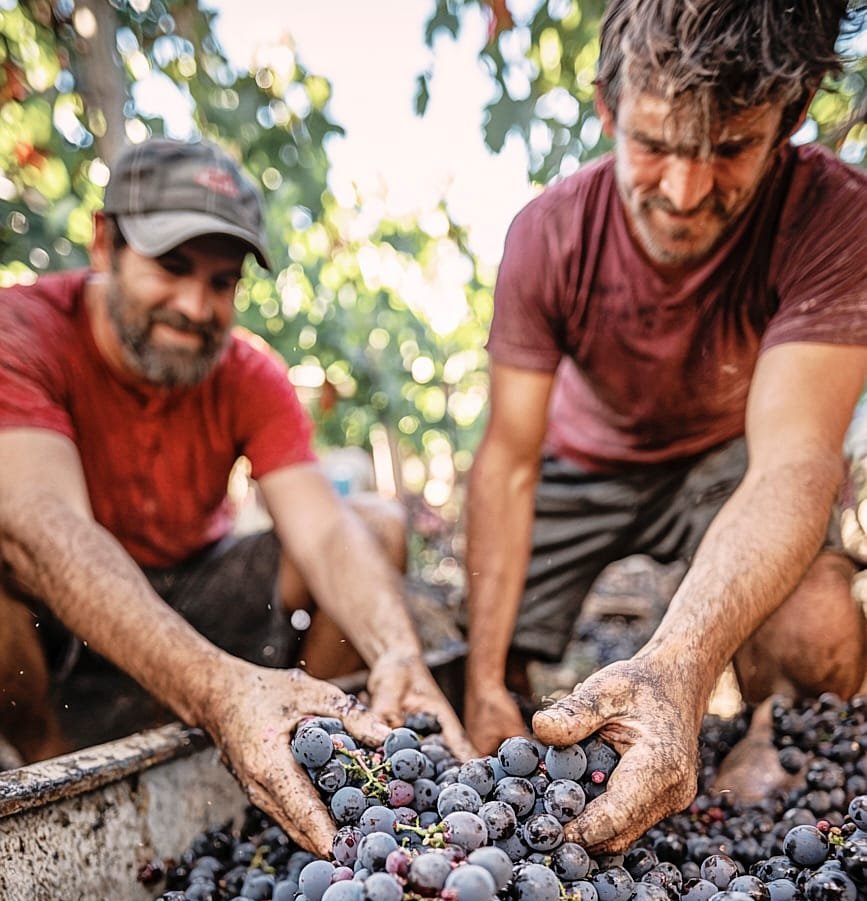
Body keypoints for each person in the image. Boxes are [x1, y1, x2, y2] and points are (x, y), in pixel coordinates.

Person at [464, 0, 867, 852]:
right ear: (608, 109)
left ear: (787, 122)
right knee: (487, 664)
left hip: (730, 462)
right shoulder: (547, 234)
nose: (684, 193)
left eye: (729, 149)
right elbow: (506, 464)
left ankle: (768, 742)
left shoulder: (833, 218)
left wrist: (679, 666)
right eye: (653, 145)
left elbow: (793, 463)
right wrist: (481, 679)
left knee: (820, 632)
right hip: (582, 467)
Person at [0, 138, 469, 853]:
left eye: (222, 282)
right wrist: (216, 689)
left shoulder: (247, 371)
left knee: (373, 526)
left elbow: (326, 530)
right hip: (61, 617)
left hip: (198, 586)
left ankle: (321, 754)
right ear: (104, 244)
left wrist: (396, 653)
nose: (196, 305)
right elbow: (39, 528)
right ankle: (58, 783)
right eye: (172, 267)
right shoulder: (22, 332)